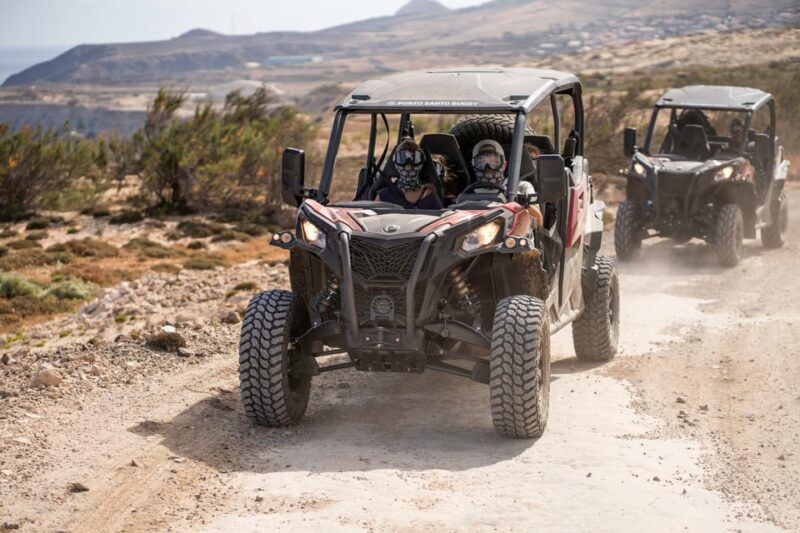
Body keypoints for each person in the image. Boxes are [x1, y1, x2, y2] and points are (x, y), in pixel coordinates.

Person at [377, 139, 443, 209]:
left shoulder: (430, 197)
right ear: (395, 162)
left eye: (414, 159)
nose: (408, 165)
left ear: (422, 162)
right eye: (402, 159)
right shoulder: (383, 195)